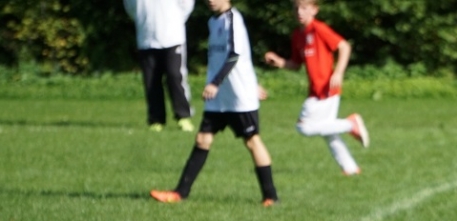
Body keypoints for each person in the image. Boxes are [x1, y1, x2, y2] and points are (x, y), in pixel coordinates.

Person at [149, 0, 279, 206]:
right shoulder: (213, 21)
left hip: (238, 97)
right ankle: (180, 193)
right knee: (202, 139)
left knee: (252, 141)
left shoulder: (233, 20)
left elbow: (235, 55)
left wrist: (217, 83)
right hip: (218, 98)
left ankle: (271, 197)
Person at [263, 0, 368, 176]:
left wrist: (338, 72)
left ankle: (351, 124)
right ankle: (350, 168)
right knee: (328, 131)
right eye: (296, 8)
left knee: (304, 127)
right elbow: (296, 64)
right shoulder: (298, 35)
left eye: (304, 8)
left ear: (314, 10)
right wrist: (279, 62)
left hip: (327, 88)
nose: (299, 12)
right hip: (315, 90)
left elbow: (344, 46)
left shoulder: (318, 29)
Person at [124, 0, 196, 132]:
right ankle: (156, 119)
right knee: (151, 80)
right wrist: (142, 20)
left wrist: (174, 21)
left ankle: (183, 116)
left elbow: (186, 4)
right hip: (146, 38)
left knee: (175, 76)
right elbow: (130, 7)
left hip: (173, 37)